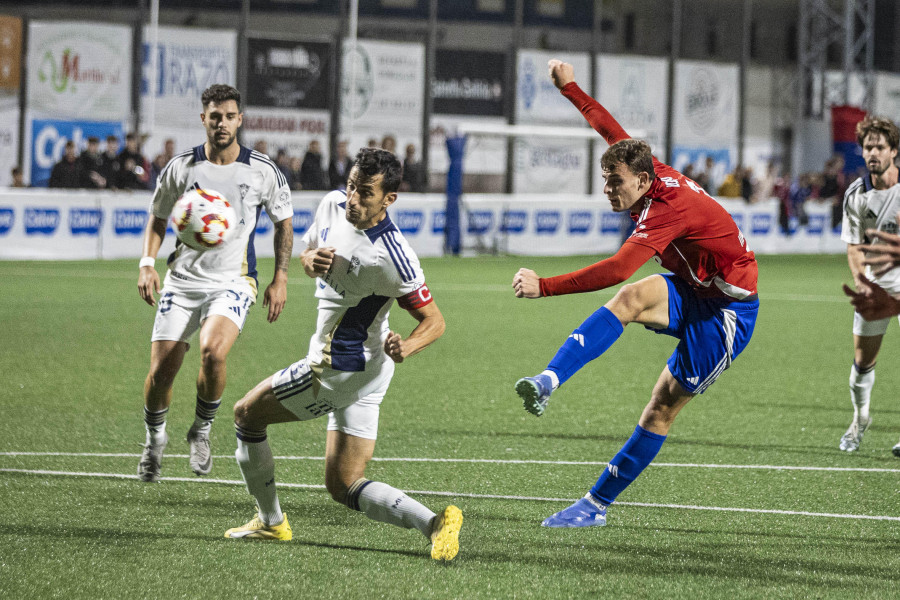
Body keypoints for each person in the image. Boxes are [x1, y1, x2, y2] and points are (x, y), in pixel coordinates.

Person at [512, 60, 759, 528]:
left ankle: (595, 505)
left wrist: (544, 287)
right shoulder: (649, 170)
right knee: (629, 300)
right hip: (694, 288)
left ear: (643, 182)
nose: (608, 189)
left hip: (729, 311)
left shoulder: (669, 210)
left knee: (661, 406)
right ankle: (548, 380)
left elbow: (616, 266)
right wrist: (570, 88)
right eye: (606, 179)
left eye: (615, 182)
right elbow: (611, 130)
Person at [223, 147, 462, 561]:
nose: (352, 198)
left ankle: (270, 521)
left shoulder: (394, 257)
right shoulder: (333, 205)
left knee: (246, 414)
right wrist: (309, 260)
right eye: (351, 186)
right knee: (343, 483)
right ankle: (435, 524)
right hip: (369, 369)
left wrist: (410, 344)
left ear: (389, 199)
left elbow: (435, 321)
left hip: (336, 370)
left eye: (365, 193)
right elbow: (309, 256)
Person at [136, 84, 294, 483]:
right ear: (203, 119)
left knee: (212, 352)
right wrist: (146, 264)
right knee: (161, 371)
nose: (221, 123)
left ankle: (201, 431)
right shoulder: (181, 168)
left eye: (228, 116)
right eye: (214, 116)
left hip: (234, 282)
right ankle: (155, 440)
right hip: (183, 281)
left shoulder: (262, 170)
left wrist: (280, 277)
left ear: (239, 119)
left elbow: (284, 223)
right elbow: (157, 217)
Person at [836, 115, 900, 456]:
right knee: (862, 363)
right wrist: (862, 283)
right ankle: (860, 420)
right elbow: (854, 246)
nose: (873, 152)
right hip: (876, 290)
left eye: (880, 146)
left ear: (894, 151)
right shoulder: (857, 195)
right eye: (867, 147)